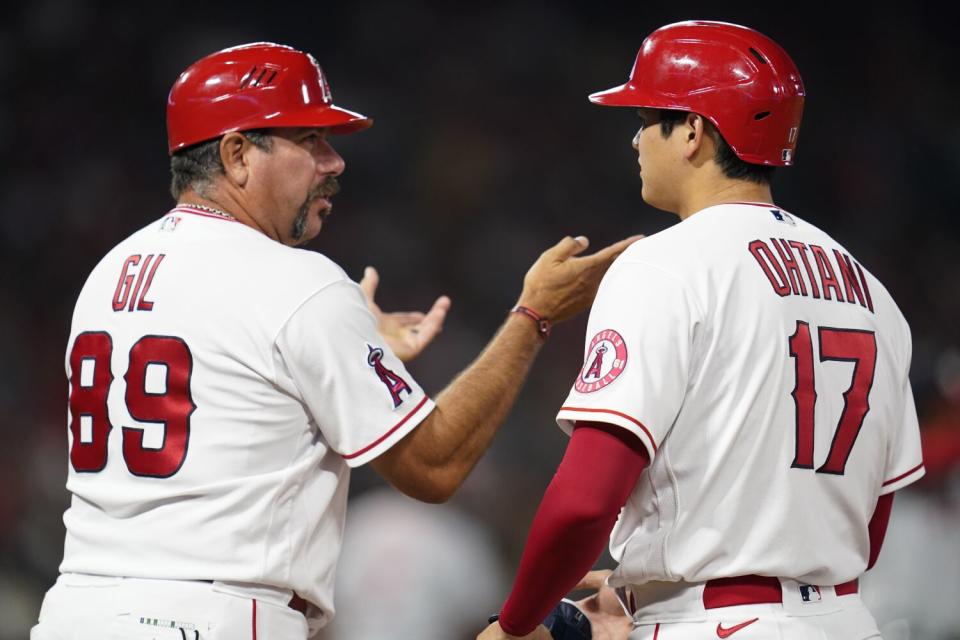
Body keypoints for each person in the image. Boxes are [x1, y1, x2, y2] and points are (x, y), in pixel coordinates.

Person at [30, 42, 638, 640]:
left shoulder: (110, 271)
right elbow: (434, 467)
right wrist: (534, 315)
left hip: (75, 608)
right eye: (308, 140)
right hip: (209, 615)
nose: (334, 161)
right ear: (238, 153)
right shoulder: (295, 280)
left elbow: (224, 396)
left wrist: (345, 354)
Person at [479, 20, 924, 640]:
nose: (635, 141)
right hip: (846, 619)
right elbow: (868, 524)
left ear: (694, 130)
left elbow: (585, 499)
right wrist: (656, 577)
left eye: (644, 121)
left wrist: (515, 622)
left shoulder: (664, 264)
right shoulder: (871, 290)